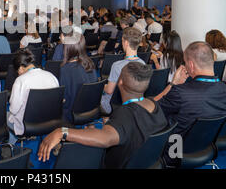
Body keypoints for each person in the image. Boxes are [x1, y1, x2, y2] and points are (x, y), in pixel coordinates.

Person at [38, 62, 168, 168]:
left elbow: (105, 138)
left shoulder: (125, 114)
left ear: (120, 82)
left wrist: (62, 132)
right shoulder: (154, 105)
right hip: (146, 163)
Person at [155, 41, 226, 166]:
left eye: (184, 62)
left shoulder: (179, 93)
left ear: (191, 65)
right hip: (208, 145)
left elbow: (152, 109)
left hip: (175, 151)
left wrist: (173, 84)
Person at [7, 49, 59, 144]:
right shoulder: (51, 76)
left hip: (27, 124)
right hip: (50, 121)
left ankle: (9, 146)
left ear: (21, 68)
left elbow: (13, 109)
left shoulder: (21, 81)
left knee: (6, 116)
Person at [101, 27, 145, 114]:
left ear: (126, 43)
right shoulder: (143, 63)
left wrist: (102, 86)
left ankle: (107, 123)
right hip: (135, 104)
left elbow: (109, 90)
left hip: (115, 105)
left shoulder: (117, 65)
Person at [60, 33, 97, 122]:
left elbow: (64, 98)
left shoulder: (65, 69)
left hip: (72, 112)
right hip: (91, 108)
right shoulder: (90, 63)